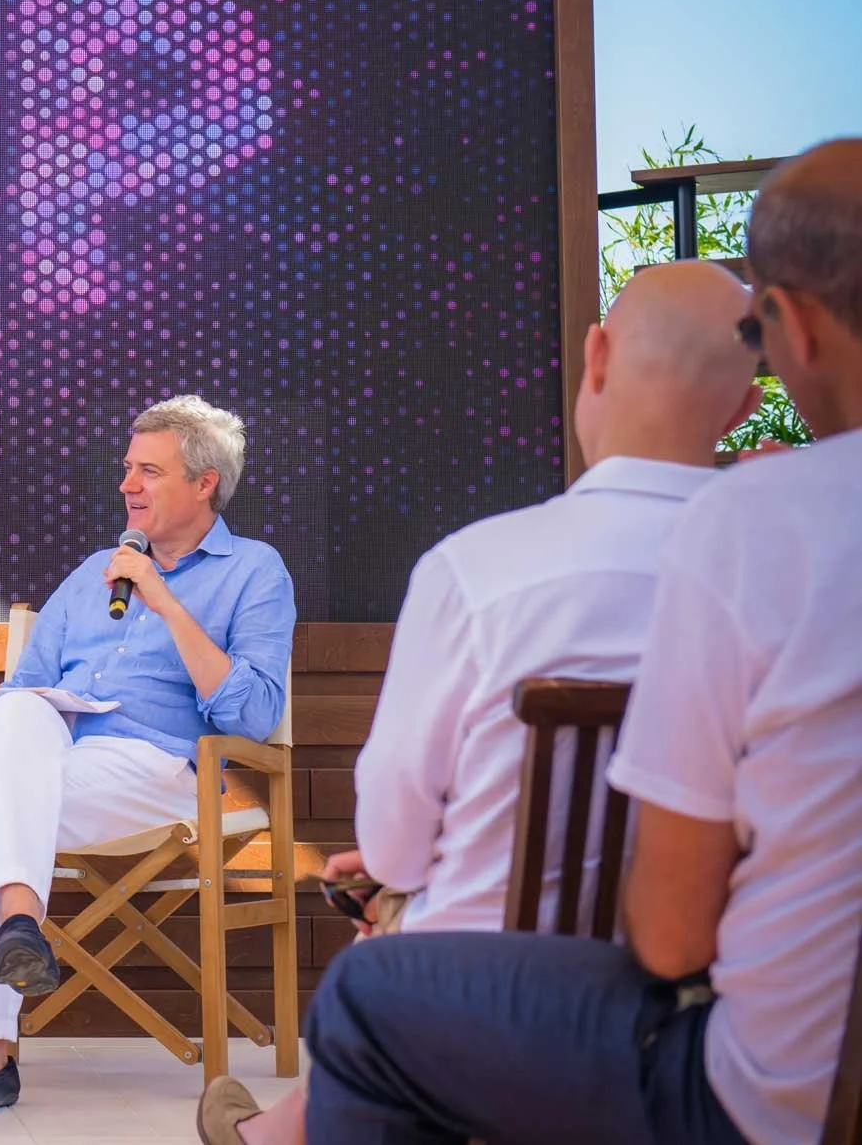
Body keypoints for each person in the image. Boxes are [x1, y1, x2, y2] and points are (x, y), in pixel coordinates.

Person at [295, 138, 862, 1145]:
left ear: (800, 332)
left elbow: (672, 935)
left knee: (368, 996)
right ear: (740, 403)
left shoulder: (759, 530)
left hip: (763, 1090)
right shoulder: (749, 513)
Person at [196, 258, 763, 1145]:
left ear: (597, 355)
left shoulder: (478, 571)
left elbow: (392, 838)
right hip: (719, 993)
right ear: (742, 409)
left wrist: (393, 871)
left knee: (387, 932)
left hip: (481, 1001)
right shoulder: (798, 576)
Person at [0, 394, 296, 1114]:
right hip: (60, 761)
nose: (128, 485)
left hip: (166, 771)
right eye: (126, 469)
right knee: (11, 719)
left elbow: (256, 714)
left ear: (204, 483)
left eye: (149, 470)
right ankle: (19, 926)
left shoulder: (255, 571)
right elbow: (26, 691)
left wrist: (164, 601)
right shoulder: (92, 571)